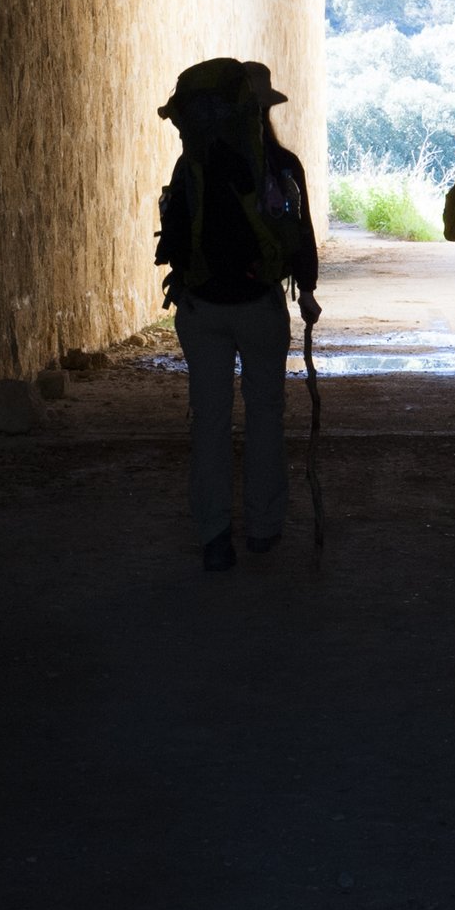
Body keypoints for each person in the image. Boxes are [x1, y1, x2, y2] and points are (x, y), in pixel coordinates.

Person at [154, 57, 320, 572]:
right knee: (266, 415)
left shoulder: (190, 165)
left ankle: (214, 535)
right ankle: (264, 528)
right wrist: (307, 291)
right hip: (258, 307)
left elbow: (175, 232)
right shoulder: (282, 166)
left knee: (209, 420)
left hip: (201, 307)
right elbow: (301, 241)